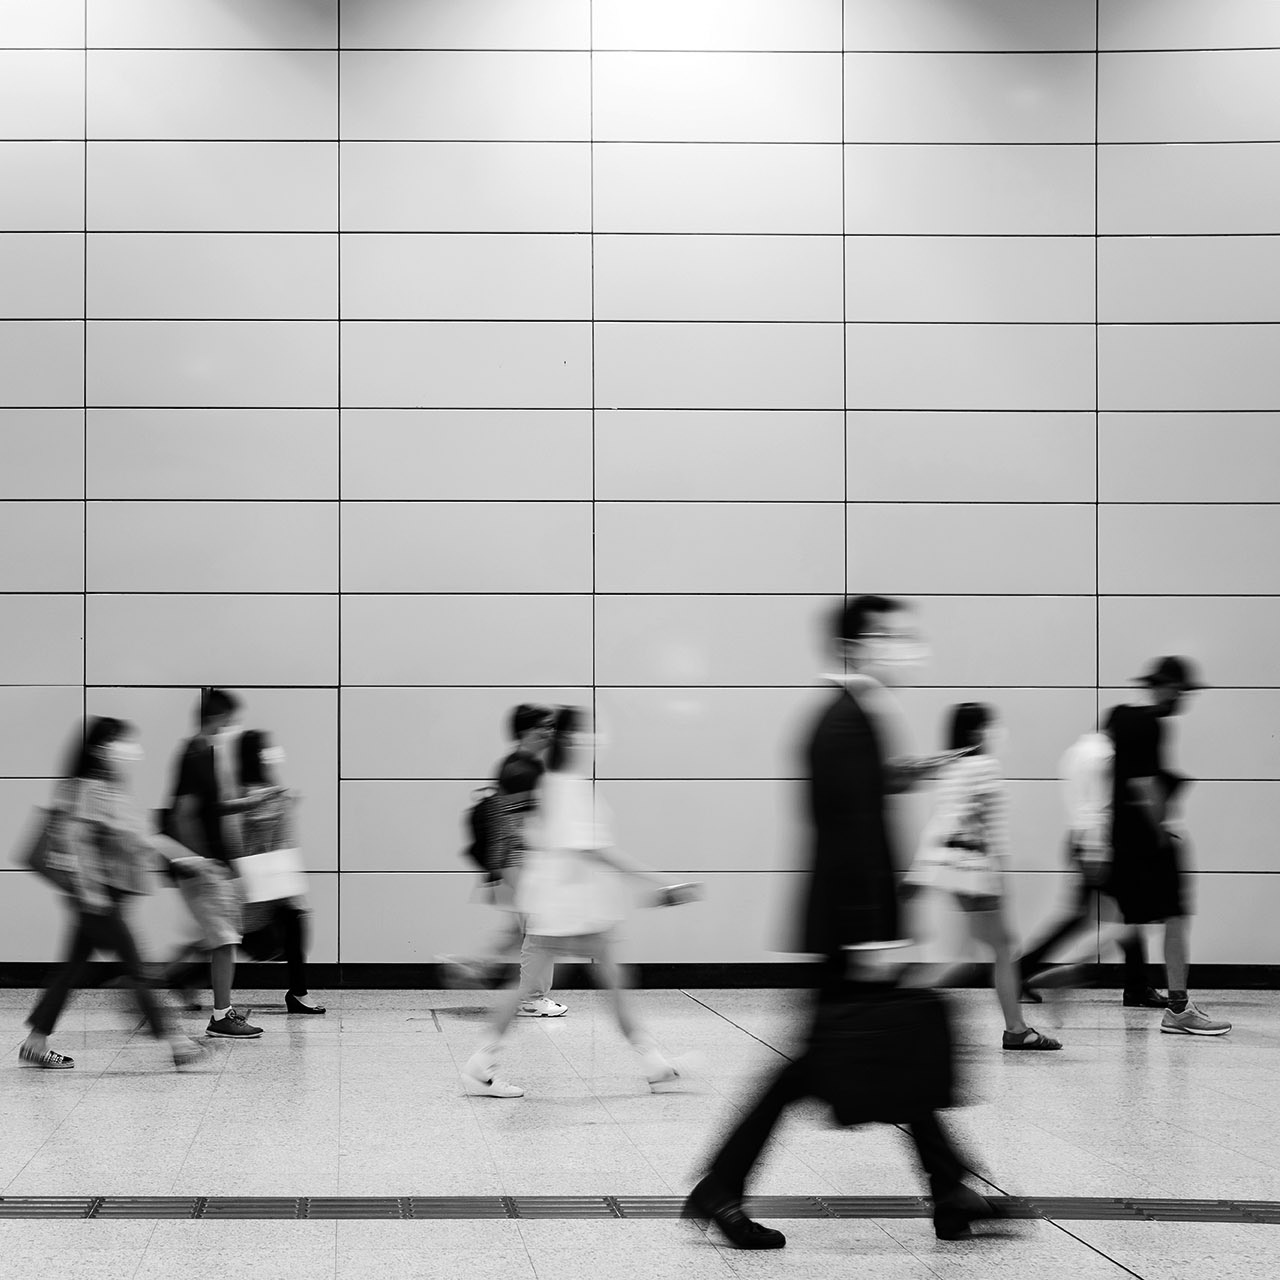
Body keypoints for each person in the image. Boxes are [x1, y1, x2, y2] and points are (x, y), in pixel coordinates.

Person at [685, 597, 1009, 1249]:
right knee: (844, 1055)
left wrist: (914, 772)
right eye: (893, 636)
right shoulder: (843, 721)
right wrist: (871, 934)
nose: (907, 647)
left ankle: (949, 1191)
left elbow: (859, 798)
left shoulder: (852, 715)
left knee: (879, 1048)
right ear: (858, 645)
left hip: (851, 924)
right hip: (851, 927)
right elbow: (846, 833)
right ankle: (722, 1187)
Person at [460, 706, 698, 1098]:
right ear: (572, 739)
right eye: (588, 734)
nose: (596, 741)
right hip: (569, 909)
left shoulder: (557, 782)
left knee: (601, 980)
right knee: (563, 985)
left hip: (567, 906)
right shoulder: (565, 785)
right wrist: (658, 884)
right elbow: (593, 851)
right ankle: (480, 1064)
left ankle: (653, 1063)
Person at [19, 718, 203, 1070]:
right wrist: (91, 893)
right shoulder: (89, 789)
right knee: (138, 967)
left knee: (71, 970)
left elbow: (143, 836)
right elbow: (76, 842)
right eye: (123, 743)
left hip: (106, 897)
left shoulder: (111, 789)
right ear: (101, 749)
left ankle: (35, 1042)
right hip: (98, 898)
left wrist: (190, 859)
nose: (132, 751)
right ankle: (177, 1043)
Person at [906, 704, 1061, 1050]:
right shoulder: (984, 767)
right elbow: (991, 828)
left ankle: (1015, 1027)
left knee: (976, 951)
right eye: (991, 726)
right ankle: (1015, 1029)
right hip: (976, 873)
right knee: (1000, 949)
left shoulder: (951, 766)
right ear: (978, 731)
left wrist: (923, 871)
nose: (996, 733)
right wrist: (1000, 876)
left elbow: (943, 823)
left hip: (952, 872)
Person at [1105, 657, 1229, 1036]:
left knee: (1129, 921)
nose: (1183, 699)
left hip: (1120, 835)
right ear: (1167, 686)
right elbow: (1145, 786)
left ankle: (1166, 1000)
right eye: (1181, 691)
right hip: (1145, 840)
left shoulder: (1119, 716)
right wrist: (1161, 831)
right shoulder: (1148, 724)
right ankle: (1178, 1008)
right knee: (1174, 916)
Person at [166, 688, 281, 1039]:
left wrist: (246, 805)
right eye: (231, 718)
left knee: (223, 939)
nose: (234, 725)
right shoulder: (194, 754)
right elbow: (184, 814)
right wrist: (200, 861)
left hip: (213, 864)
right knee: (224, 939)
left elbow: (212, 808)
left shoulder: (208, 754)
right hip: (202, 866)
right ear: (216, 717)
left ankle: (214, 1006)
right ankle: (220, 1014)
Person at [1016, 723, 1159, 1007]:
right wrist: (1102, 848)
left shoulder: (1076, 752)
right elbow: (1101, 804)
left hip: (1080, 838)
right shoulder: (1106, 757)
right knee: (1122, 914)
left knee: (1114, 913)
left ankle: (1137, 986)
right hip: (1100, 841)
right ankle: (1021, 969)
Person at [441, 704, 567, 1017]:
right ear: (527, 730)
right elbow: (516, 825)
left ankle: (475, 966)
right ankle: (533, 997)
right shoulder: (522, 771)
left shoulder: (518, 765)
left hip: (514, 860)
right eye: (545, 726)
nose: (551, 731)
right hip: (520, 860)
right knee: (540, 930)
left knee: (522, 930)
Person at [228, 729, 324, 1014]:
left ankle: (298, 992)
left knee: (291, 923)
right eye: (265, 749)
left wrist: (281, 800)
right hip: (259, 876)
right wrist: (278, 801)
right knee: (235, 936)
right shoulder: (248, 790)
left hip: (273, 874)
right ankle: (183, 978)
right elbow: (254, 818)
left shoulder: (265, 786)